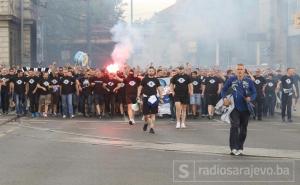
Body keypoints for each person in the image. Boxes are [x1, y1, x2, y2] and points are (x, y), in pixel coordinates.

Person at [221, 64, 257, 156]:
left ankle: (240, 147)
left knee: (243, 129)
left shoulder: (249, 81)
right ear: (235, 70)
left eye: (241, 69)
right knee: (235, 126)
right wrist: (224, 98)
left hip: (245, 108)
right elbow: (224, 90)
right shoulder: (231, 79)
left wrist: (251, 98)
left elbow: (254, 92)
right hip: (234, 107)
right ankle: (233, 148)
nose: (240, 71)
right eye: (238, 69)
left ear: (244, 70)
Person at [137, 67, 163, 134]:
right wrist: (138, 95)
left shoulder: (156, 80)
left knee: (153, 114)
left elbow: (159, 88)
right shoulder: (144, 79)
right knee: (146, 115)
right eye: (149, 71)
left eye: (152, 71)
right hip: (145, 98)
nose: (151, 72)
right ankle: (146, 123)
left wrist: (161, 97)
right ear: (148, 71)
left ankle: (151, 128)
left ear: (154, 72)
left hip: (154, 98)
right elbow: (140, 87)